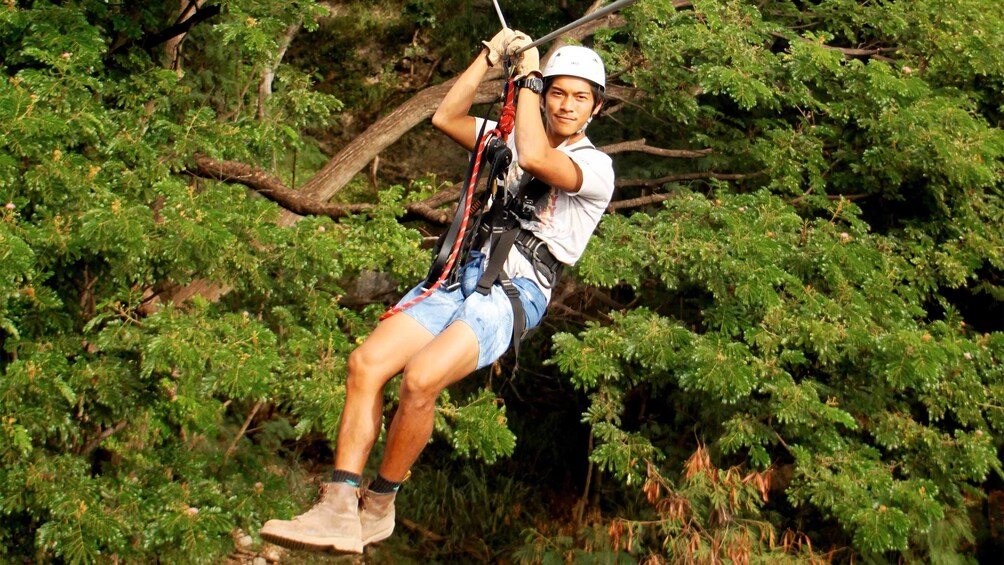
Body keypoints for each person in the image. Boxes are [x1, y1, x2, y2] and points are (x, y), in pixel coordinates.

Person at [260, 29, 615, 554]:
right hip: (462, 273)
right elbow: (446, 117)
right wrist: (489, 58)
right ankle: (337, 506)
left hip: (513, 292)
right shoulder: (516, 137)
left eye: (578, 97)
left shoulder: (596, 168)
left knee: (421, 379)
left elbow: (538, 159)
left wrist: (532, 77)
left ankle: (380, 503)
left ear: (595, 108)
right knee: (366, 364)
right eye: (558, 93)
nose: (564, 104)